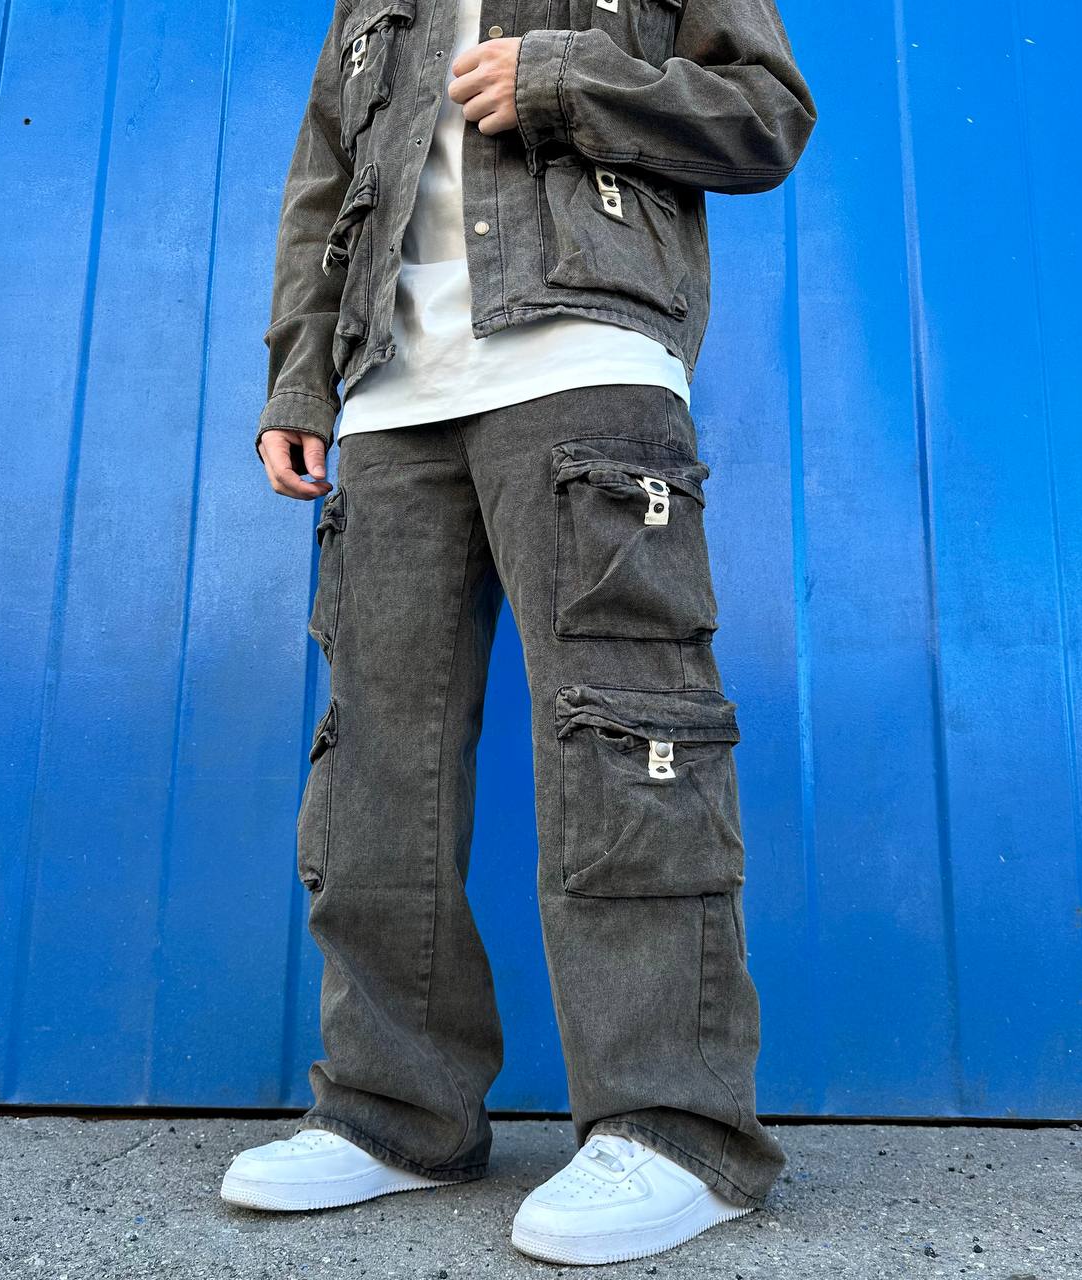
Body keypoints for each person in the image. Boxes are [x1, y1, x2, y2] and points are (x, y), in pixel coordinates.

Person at [220, 0, 815, 1263]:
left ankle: (675, 1126)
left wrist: (564, 79)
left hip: (584, 358)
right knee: (374, 760)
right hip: (389, 394)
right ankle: (393, 1109)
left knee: (624, 741)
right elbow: (323, 180)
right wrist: (299, 376)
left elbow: (766, 117)